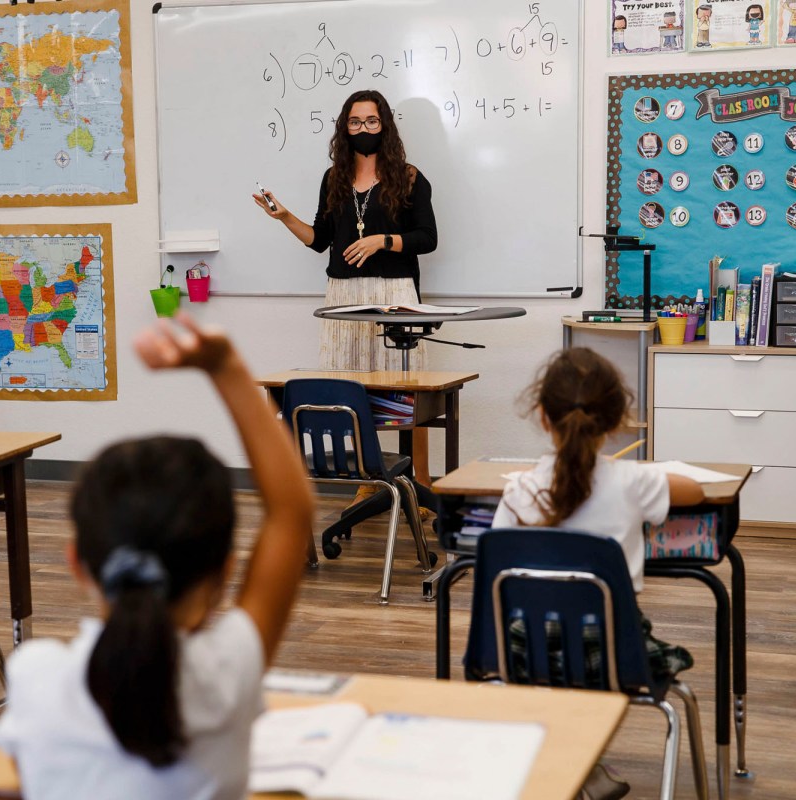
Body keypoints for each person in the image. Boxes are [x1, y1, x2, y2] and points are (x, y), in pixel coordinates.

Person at [0, 314, 315, 800]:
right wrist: (225, 367)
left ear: (78, 562)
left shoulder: (36, 676)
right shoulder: (228, 672)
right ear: (227, 571)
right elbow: (291, 513)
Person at [254, 89, 438, 489]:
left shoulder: (408, 176)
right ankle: (366, 485)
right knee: (351, 392)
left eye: (371, 121)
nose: (363, 129)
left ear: (384, 125)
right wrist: (284, 217)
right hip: (343, 297)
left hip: (395, 295)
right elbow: (320, 239)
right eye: (355, 122)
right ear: (344, 127)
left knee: (408, 396)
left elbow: (427, 237)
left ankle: (420, 485)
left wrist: (382, 240)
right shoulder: (333, 178)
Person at [490, 347, 704, 682]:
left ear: (544, 416)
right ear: (616, 419)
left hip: (524, 655)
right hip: (612, 655)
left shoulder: (519, 490)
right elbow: (695, 491)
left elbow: (496, 562)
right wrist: (619, 467)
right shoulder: (633, 480)